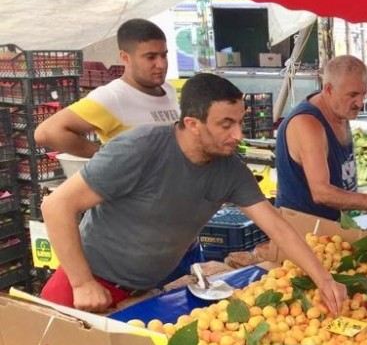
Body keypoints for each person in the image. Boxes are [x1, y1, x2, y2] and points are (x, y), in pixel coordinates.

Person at [39, 73, 347, 314]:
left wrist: (324, 280)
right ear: (192, 124)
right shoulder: (139, 149)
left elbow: (278, 227)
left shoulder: (229, 170)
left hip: (146, 291)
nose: (238, 135)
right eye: (226, 124)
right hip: (87, 282)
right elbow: (56, 206)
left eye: (239, 122)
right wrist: (82, 283)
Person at [274, 55, 367, 221]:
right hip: (303, 230)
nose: (360, 102)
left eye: (364, 93)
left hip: (335, 226)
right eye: (352, 95)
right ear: (329, 90)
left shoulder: (339, 112)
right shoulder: (308, 125)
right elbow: (321, 192)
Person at [35, 19, 179, 155]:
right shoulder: (113, 96)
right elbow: (47, 132)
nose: (161, 64)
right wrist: (106, 157)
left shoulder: (168, 90)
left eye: (164, 55)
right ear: (125, 58)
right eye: (151, 57)